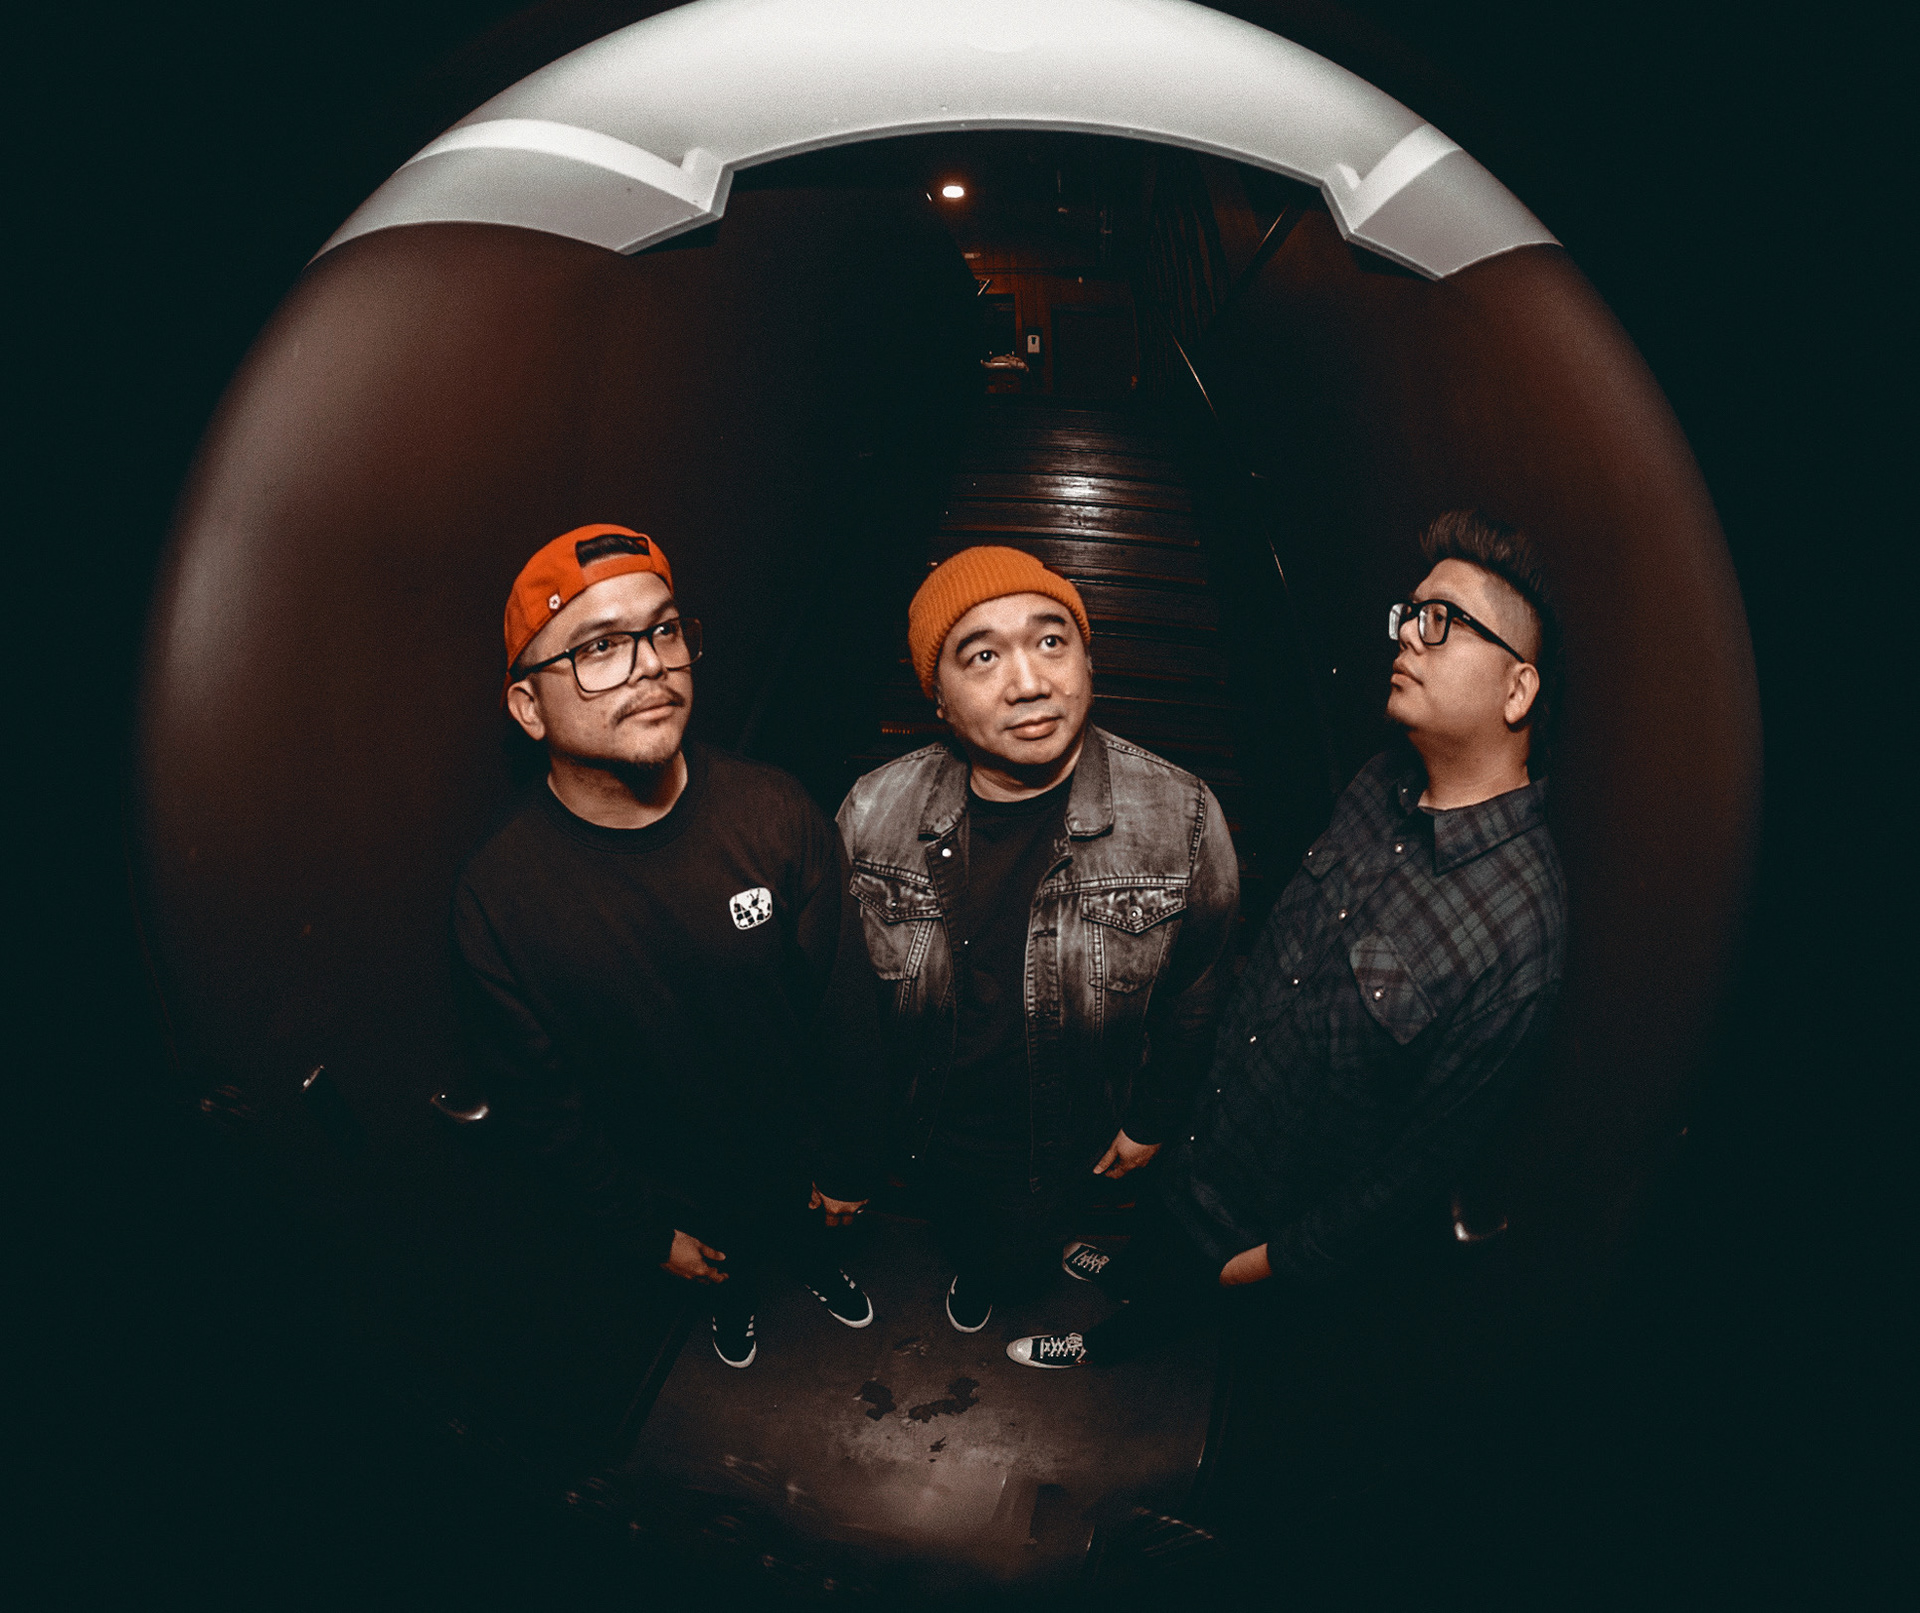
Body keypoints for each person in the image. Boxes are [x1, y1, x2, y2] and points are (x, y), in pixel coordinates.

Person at [1006, 509, 1569, 1368]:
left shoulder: (1520, 939)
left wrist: (1270, 1262)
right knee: (1149, 1253)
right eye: (1407, 614)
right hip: (1201, 1144)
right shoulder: (1380, 781)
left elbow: (1415, 1170)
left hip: (1250, 1231)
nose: (1406, 635)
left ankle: (1099, 1346)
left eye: (1440, 621)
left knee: (1164, 1317)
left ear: (1517, 690)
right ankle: (1123, 1270)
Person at [451, 523, 882, 1370]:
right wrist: (646, 1232)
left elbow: (845, 1009)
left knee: (812, 1236)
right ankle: (731, 1304)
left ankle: (820, 1265)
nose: (651, 663)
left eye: (665, 629)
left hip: (796, 1161)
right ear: (529, 707)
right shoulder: (498, 898)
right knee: (724, 1273)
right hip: (679, 1194)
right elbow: (545, 1109)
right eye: (599, 646)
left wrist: (851, 1161)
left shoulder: (774, 812)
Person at [836, 545, 1239, 1334]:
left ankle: (1014, 1268)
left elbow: (1198, 993)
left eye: (1051, 640)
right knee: (964, 1230)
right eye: (982, 656)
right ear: (938, 698)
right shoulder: (873, 812)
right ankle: (984, 1268)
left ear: (1087, 658)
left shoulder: (1183, 817)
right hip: (932, 1129)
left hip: (1069, 1132)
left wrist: (1152, 1118)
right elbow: (840, 1005)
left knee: (1022, 1252)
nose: (1029, 682)